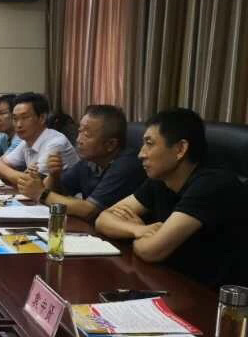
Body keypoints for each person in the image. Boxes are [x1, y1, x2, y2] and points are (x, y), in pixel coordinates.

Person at [96, 108, 248, 287]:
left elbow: (152, 251)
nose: (141, 154)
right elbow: (103, 219)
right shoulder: (161, 179)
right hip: (170, 280)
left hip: (210, 295)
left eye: (149, 144)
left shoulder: (212, 184)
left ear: (180, 149)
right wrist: (137, 230)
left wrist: (139, 234)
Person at [17, 105, 145, 221]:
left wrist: (41, 193)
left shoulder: (126, 165)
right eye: (80, 131)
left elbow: (89, 210)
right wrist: (54, 176)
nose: (78, 140)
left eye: (87, 134)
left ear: (110, 144)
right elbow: (59, 194)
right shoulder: (89, 161)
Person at [0, 92, 79, 186]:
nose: (18, 125)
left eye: (24, 118)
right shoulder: (26, 141)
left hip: (66, 206)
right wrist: (6, 170)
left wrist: (2, 169)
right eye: (15, 118)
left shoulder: (55, 143)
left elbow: (36, 185)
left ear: (42, 118)